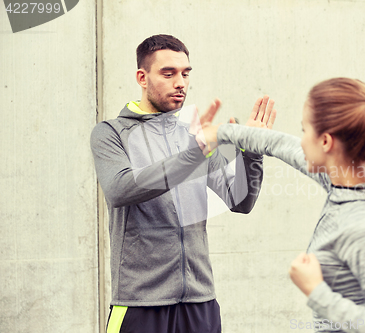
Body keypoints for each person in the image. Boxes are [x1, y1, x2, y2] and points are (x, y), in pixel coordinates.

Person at [202, 77, 365, 332]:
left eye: (304, 130)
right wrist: (221, 133)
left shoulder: (363, 225)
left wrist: (316, 291)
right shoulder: (342, 183)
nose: (301, 140)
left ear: (325, 142)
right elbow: (279, 144)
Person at [90, 34, 276, 333]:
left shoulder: (195, 134)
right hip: (140, 304)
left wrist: (251, 151)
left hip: (200, 302)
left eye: (186, 73)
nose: (181, 82)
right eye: (169, 73)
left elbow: (240, 201)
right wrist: (195, 155)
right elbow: (120, 188)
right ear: (142, 77)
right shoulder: (110, 133)